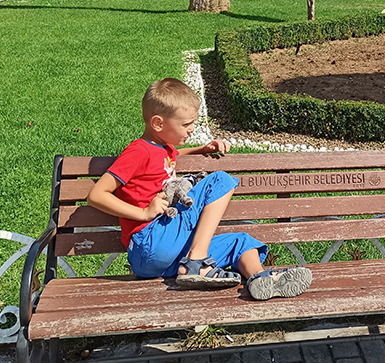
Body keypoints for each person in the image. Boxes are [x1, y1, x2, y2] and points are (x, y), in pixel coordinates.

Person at [87, 78, 312, 298]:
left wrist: (201, 149)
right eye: (186, 124)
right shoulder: (138, 151)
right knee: (220, 181)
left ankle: (261, 279)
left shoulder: (164, 149)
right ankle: (197, 261)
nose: (192, 129)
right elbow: (97, 195)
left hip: (165, 256)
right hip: (149, 240)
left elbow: (168, 158)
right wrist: (143, 213)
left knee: (241, 241)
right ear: (158, 123)